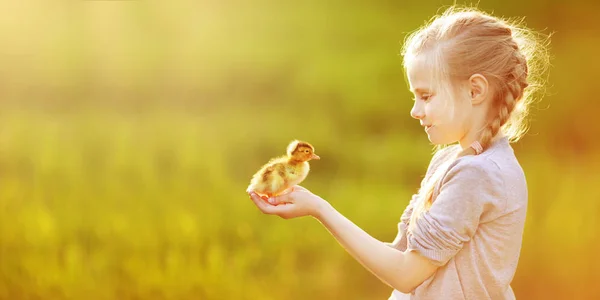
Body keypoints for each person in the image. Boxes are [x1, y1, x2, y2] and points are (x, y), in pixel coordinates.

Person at [247, 5, 550, 299]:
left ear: (475, 91)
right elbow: (399, 255)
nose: (415, 111)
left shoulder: (479, 174)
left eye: (426, 96)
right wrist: (315, 205)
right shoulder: (449, 159)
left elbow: (405, 275)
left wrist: (320, 209)